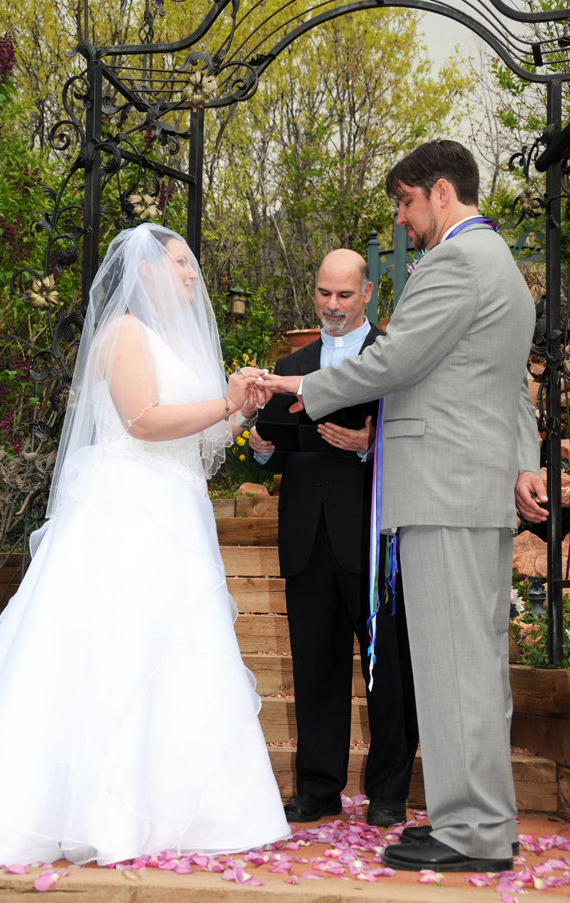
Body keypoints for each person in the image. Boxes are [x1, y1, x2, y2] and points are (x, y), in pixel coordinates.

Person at [262, 140, 547, 873]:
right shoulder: (505, 271)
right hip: (470, 490)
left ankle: (469, 831)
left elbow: (397, 359)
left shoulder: (455, 262)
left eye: (405, 202)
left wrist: (298, 387)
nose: (401, 218)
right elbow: (509, 384)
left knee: (453, 665)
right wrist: (524, 462)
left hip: (444, 493)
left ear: (441, 192)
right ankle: (486, 819)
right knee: (472, 665)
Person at [0, 223, 289, 867]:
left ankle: (178, 809)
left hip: (175, 508)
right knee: (114, 649)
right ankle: (93, 809)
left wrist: (237, 412)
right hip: (125, 509)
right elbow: (142, 419)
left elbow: (201, 444)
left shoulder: (178, 341)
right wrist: (218, 403)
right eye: (182, 264)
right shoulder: (123, 335)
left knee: (178, 654)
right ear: (146, 270)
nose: (194, 275)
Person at [249, 249, 418, 827]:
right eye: (324, 293)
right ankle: (318, 788)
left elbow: (418, 439)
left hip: (372, 539)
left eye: (345, 295)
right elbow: (274, 443)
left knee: (388, 669)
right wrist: (262, 449)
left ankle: (389, 791)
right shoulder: (292, 362)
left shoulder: (392, 358)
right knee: (314, 669)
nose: (332, 306)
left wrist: (369, 448)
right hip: (306, 536)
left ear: (367, 294)